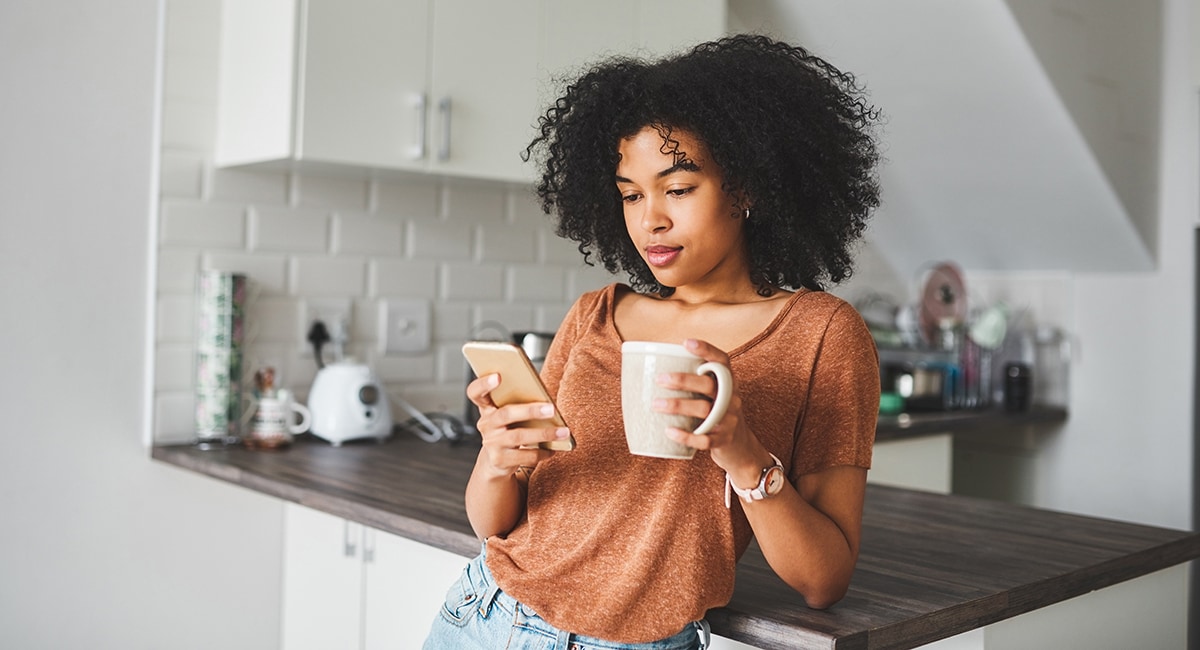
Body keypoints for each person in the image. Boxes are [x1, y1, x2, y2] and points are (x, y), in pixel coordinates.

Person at [424, 33, 882, 650]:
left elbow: (825, 580)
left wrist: (741, 453)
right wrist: (498, 458)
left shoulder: (821, 334)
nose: (650, 220)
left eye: (679, 188)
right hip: (484, 618)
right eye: (631, 194)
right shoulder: (594, 315)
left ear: (746, 187)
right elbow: (496, 523)